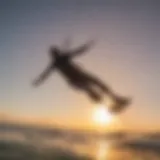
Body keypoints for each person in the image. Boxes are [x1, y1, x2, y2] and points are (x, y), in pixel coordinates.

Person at [33, 40, 130, 109]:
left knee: (99, 83)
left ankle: (116, 99)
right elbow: (45, 74)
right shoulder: (55, 63)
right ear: (54, 55)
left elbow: (77, 51)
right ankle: (107, 106)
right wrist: (38, 81)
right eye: (55, 54)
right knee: (91, 91)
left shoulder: (64, 57)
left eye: (57, 53)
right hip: (75, 81)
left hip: (82, 75)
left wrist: (86, 47)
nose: (57, 55)